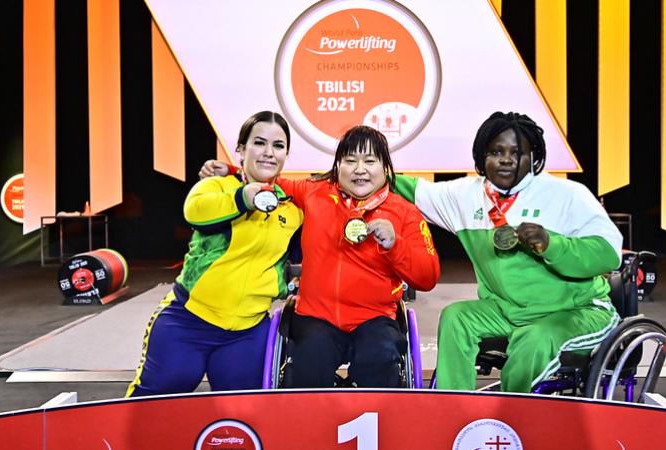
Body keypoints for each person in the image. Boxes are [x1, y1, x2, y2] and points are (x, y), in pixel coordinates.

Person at [393, 111, 623, 392]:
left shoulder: (567, 194)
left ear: (533, 158)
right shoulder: (465, 195)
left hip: (575, 311)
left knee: (535, 339)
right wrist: (361, 172)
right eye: (496, 151)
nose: (505, 159)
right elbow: (409, 189)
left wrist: (552, 244)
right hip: (505, 310)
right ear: (481, 156)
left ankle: (507, 423)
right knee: (457, 317)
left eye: (517, 152)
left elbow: (609, 253)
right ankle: (454, 412)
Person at [201, 125, 440, 388]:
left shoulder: (405, 212)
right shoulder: (316, 192)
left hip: (375, 319)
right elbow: (273, 182)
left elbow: (427, 277)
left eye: (370, 161)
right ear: (338, 166)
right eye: (350, 161)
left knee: (380, 361)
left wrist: (396, 244)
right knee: (307, 366)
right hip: (316, 317)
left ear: (385, 168)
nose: (360, 169)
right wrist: (234, 172)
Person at [126, 111, 302, 396]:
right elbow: (194, 212)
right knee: (151, 406)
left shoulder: (292, 207)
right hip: (187, 321)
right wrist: (243, 197)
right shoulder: (215, 186)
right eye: (259, 143)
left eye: (278, 146)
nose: (269, 153)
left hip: (249, 331)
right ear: (241, 149)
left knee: (243, 421)